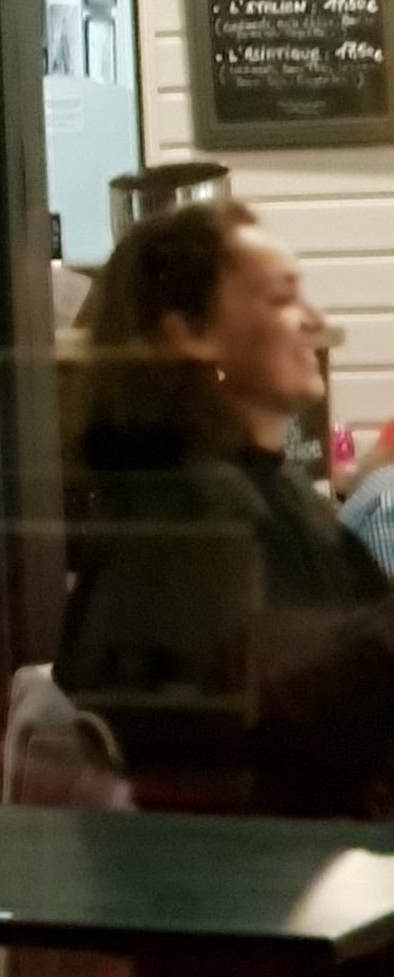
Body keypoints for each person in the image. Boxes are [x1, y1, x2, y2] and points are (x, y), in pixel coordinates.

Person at [55, 202, 394, 813]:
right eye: (280, 298)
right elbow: (272, 723)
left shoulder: (262, 490)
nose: (314, 320)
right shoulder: (189, 517)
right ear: (188, 333)